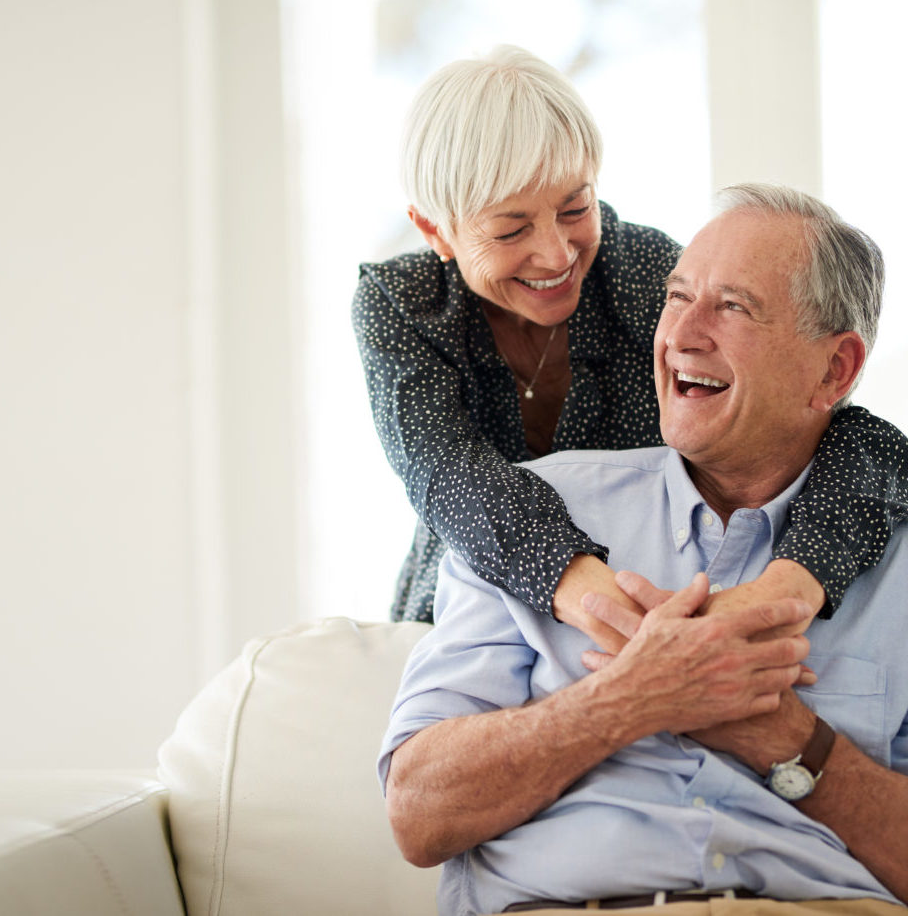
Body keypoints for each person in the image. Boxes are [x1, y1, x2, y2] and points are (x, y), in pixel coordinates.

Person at [378, 185, 908, 915]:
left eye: (733, 306)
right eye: (677, 297)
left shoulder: (889, 543)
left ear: (835, 370)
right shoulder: (526, 514)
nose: (681, 333)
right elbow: (418, 814)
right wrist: (630, 697)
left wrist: (784, 736)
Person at [352, 45, 908, 643]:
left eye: (575, 207)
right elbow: (447, 474)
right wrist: (608, 607)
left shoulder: (652, 276)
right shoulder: (402, 303)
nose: (557, 255)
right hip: (468, 605)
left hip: (660, 590)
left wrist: (789, 585)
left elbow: (836, 430)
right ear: (435, 230)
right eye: (511, 230)